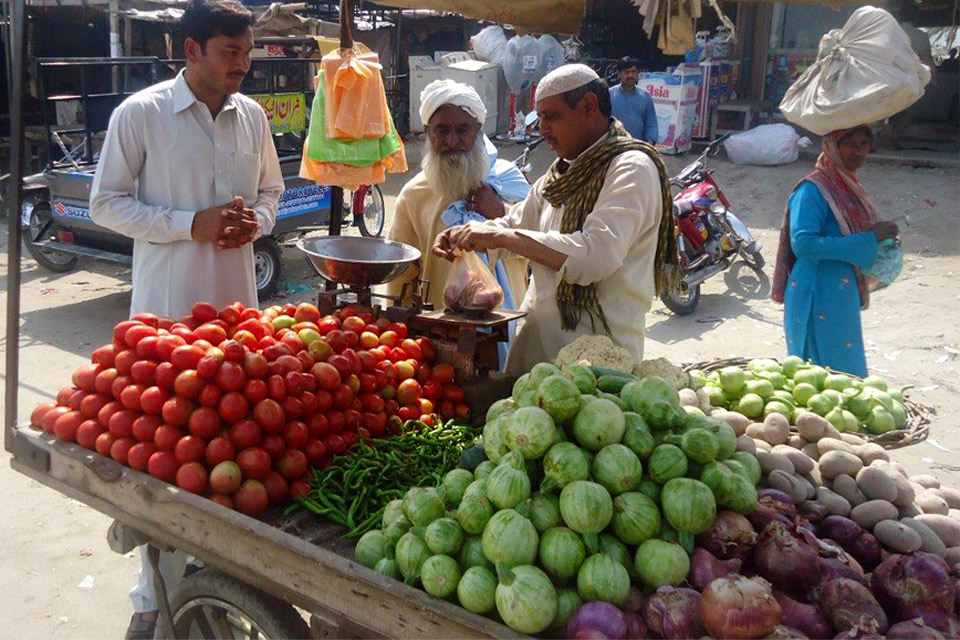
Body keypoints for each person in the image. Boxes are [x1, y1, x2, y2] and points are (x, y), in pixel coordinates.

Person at [89, 0, 283, 636]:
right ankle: (151, 595)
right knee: (163, 455)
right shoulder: (141, 114)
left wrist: (259, 222)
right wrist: (187, 225)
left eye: (248, 53)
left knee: (225, 443)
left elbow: (270, 191)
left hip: (237, 315)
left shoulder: (251, 116)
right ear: (191, 50)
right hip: (166, 317)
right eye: (231, 53)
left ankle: (213, 573)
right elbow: (106, 205)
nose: (243, 66)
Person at [433, 64, 676, 374]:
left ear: (589, 106)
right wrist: (470, 233)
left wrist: (499, 237)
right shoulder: (561, 171)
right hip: (539, 347)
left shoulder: (631, 169)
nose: (541, 129)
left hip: (598, 360)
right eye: (541, 118)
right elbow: (517, 225)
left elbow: (596, 255)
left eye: (552, 117)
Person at [386, 79, 531, 365]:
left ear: (478, 130)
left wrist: (499, 211)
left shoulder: (509, 181)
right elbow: (400, 275)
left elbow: (538, 246)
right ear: (428, 132)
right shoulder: (414, 195)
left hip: (510, 323)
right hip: (440, 333)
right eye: (442, 130)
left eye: (462, 130)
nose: (452, 141)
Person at [772, 126, 899, 377]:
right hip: (816, 290)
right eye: (850, 143)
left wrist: (879, 236)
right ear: (831, 145)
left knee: (844, 371)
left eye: (864, 144)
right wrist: (869, 238)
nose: (859, 151)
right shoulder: (812, 190)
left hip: (840, 291)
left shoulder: (848, 185)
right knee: (816, 376)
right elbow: (804, 245)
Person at [887, 4, 938, 149]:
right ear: (916, 18)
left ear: (898, 17)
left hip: (887, 77)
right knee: (907, 111)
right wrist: (933, 77)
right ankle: (894, 139)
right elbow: (928, 60)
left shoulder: (887, 34)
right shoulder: (921, 36)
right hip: (910, 80)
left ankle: (872, 138)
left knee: (880, 107)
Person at [609, 56, 658, 143]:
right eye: (626, 72)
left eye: (633, 72)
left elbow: (651, 124)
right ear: (619, 74)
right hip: (614, 147)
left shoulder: (645, 97)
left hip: (638, 148)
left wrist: (649, 143)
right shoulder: (610, 95)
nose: (630, 75)